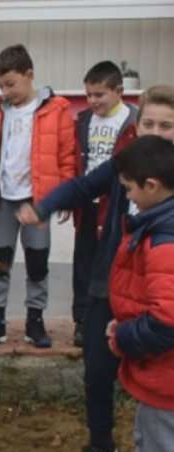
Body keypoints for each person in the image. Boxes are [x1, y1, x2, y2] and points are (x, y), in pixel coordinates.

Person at [16, 85, 174, 452]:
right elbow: (84, 186)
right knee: (98, 369)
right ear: (137, 127)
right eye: (149, 122)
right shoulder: (127, 163)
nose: (156, 131)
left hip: (158, 295)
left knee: (158, 387)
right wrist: (44, 206)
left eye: (167, 125)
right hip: (111, 283)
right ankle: (103, 443)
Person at [103, 136, 174, 452]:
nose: (126, 196)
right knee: (149, 438)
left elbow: (168, 321)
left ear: (151, 185)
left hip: (167, 376)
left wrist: (122, 338)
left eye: (129, 188)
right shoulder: (154, 223)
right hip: (157, 377)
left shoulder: (165, 241)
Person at [0, 44, 76, 348]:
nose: (6, 92)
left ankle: (35, 320)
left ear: (29, 75)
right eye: (0, 86)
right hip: (3, 200)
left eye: (11, 84)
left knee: (37, 262)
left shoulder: (56, 109)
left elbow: (67, 157)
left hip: (38, 201)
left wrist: (64, 197)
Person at [70, 61, 138, 347]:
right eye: (89, 95)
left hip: (117, 201)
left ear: (119, 91)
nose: (93, 101)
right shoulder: (84, 120)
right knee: (83, 260)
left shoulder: (133, 120)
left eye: (99, 95)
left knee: (111, 261)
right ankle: (81, 321)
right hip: (88, 201)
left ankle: (112, 317)